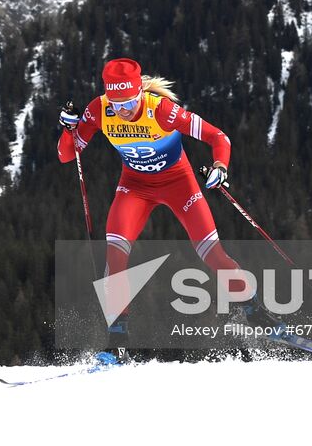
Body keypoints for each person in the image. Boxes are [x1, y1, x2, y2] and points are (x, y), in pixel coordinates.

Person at [58, 57, 246, 335]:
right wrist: (69, 129)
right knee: (116, 255)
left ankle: (255, 311)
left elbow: (219, 137)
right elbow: (66, 154)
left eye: (129, 103)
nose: (122, 110)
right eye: (116, 104)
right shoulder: (99, 109)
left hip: (178, 183)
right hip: (135, 186)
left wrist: (220, 167)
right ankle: (117, 338)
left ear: (140, 94)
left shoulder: (162, 111)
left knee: (213, 255)